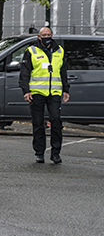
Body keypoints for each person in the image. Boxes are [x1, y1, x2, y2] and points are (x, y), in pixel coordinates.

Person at [19, 26, 69, 164]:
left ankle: (55, 153)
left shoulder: (59, 50)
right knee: (38, 123)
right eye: (44, 34)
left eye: (49, 34)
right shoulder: (31, 51)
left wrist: (66, 90)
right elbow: (24, 73)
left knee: (56, 120)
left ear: (52, 35)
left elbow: (63, 72)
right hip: (37, 92)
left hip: (54, 92)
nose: (47, 36)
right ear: (39, 37)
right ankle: (39, 153)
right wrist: (26, 91)